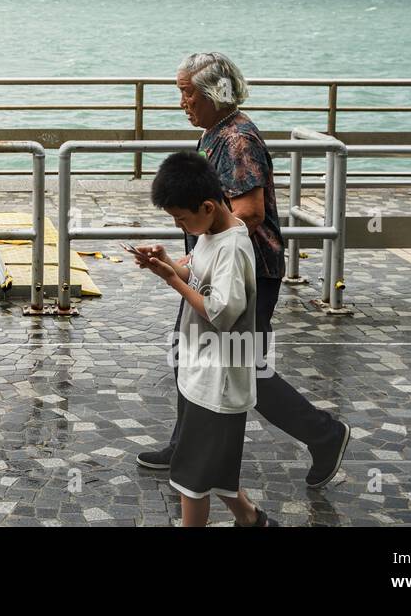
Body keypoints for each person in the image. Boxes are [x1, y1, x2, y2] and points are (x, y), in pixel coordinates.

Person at [136, 51, 350, 489]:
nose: (182, 102)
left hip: (246, 271)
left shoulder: (237, 140)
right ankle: (184, 445)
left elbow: (249, 213)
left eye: (188, 93)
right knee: (188, 354)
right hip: (210, 265)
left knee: (244, 368)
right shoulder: (215, 134)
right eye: (180, 92)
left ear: (215, 93)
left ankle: (324, 434)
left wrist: (201, 249)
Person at [134, 151, 275, 526]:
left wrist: (172, 280)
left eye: (181, 218)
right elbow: (197, 269)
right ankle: (251, 519)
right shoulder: (211, 232)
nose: (180, 225)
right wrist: (169, 262)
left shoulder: (232, 246)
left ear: (208, 206)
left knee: (190, 479)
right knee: (217, 470)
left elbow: (222, 312)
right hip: (203, 375)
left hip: (219, 382)